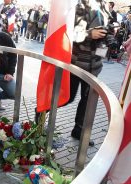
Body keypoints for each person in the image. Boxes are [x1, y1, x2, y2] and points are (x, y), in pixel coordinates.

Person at [36, 0, 112, 147]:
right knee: (67, 97)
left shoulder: (103, 6)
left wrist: (109, 36)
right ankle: (41, 113)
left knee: (87, 100)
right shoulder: (76, 6)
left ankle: (78, 130)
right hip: (76, 63)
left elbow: (106, 28)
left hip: (95, 64)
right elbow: (68, 33)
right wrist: (90, 34)